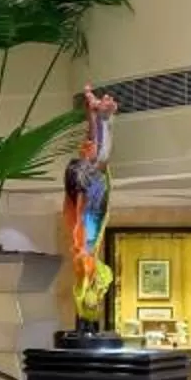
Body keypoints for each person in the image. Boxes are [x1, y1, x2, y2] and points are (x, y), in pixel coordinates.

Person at [62, 88, 117, 333]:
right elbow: (95, 156)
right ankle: (101, 116)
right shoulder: (86, 254)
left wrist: (95, 117)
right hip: (87, 212)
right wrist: (95, 117)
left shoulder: (85, 254)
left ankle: (101, 116)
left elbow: (95, 155)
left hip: (86, 212)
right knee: (97, 160)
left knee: (96, 159)